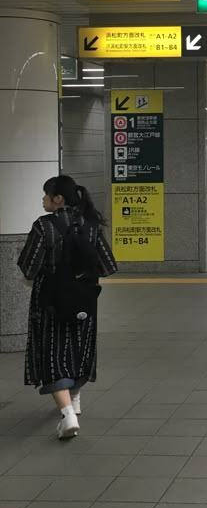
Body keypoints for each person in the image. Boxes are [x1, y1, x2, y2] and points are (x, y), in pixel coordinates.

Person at [17, 175, 117, 440]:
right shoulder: (92, 225)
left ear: (58, 199)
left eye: (45, 194)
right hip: (85, 301)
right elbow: (107, 266)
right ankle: (76, 399)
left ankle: (67, 415)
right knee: (78, 348)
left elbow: (28, 267)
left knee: (53, 354)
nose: (43, 199)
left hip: (50, 302)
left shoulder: (44, 226)